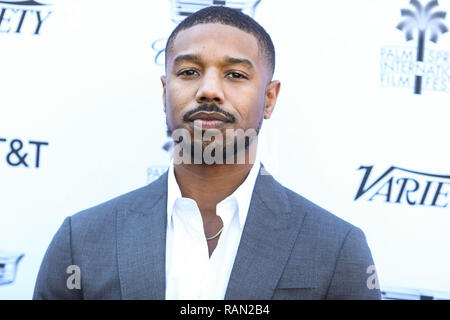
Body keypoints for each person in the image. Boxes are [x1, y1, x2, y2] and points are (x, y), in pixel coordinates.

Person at [33, 6, 381, 300]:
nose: (209, 91)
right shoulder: (82, 240)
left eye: (235, 74)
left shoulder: (337, 249)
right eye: (189, 72)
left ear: (270, 98)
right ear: (165, 91)